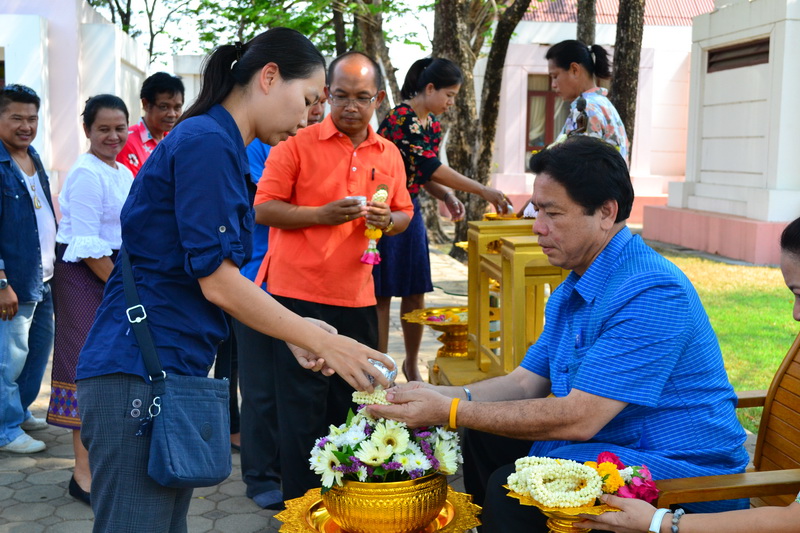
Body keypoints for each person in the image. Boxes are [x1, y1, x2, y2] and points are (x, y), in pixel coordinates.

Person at [75, 29, 394, 533]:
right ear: (269, 77)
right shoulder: (207, 143)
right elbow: (217, 282)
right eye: (308, 99)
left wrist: (294, 333)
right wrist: (321, 341)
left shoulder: (213, 140)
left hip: (160, 367)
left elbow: (206, 274)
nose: (310, 116)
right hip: (136, 370)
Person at [368, 136, 750, 531]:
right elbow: (524, 382)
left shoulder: (651, 291)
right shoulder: (576, 285)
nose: (537, 227)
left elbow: (581, 418)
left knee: (510, 490)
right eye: (537, 210)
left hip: (681, 474)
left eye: (552, 213)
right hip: (615, 444)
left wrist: (450, 412)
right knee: (482, 437)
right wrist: (438, 396)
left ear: (606, 212)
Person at [253, 50, 414, 501]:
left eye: (362, 97)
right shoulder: (296, 143)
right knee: (300, 409)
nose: (351, 106)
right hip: (297, 297)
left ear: (378, 99)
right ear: (326, 94)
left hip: (358, 296)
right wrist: (320, 214)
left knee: (354, 404)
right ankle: (301, 510)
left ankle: (350, 505)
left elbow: (404, 213)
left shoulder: (389, 153)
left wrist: (388, 221)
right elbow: (264, 208)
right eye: (341, 95)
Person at [576, 215, 800, 533]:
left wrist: (659, 522)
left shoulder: (657, 290)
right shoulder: (576, 292)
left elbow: (794, 520)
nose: (795, 314)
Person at [375, 57, 511, 381]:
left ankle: (410, 364)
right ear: (430, 88)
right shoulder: (401, 118)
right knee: (382, 293)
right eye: (449, 95)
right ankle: (379, 366)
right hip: (383, 210)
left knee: (415, 290)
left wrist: (447, 196)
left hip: (410, 208)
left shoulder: (432, 125)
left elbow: (423, 174)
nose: (451, 102)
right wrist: (482, 190)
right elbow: (430, 167)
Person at [235, 94, 327, 510]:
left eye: (320, 101)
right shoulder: (263, 144)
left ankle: (302, 472)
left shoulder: (325, 145)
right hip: (257, 278)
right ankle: (259, 475)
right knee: (260, 387)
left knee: (300, 386)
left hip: (305, 283)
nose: (313, 111)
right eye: (307, 99)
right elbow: (266, 205)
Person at [46, 94, 133, 504]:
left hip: (111, 270)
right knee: (83, 368)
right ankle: (82, 476)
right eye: (103, 129)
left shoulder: (122, 171)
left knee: (108, 368)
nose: (113, 136)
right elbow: (86, 243)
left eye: (120, 128)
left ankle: (104, 465)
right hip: (83, 273)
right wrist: (124, 290)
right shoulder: (85, 173)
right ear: (87, 130)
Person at [0, 84, 56, 454]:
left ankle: (17, 412)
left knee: (35, 353)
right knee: (9, 359)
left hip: (42, 277)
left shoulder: (31, 155)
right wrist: (1, 281)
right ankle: (5, 429)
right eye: (16, 118)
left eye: (32, 118)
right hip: (13, 281)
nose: (26, 126)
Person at [547, 39, 628, 161]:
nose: (553, 85)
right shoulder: (603, 104)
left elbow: (579, 164)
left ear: (574, 69)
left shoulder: (585, 108)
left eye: (555, 76)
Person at [116, 72, 184, 176]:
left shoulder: (175, 141)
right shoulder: (126, 142)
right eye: (164, 107)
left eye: (177, 107)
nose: (172, 114)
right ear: (146, 104)